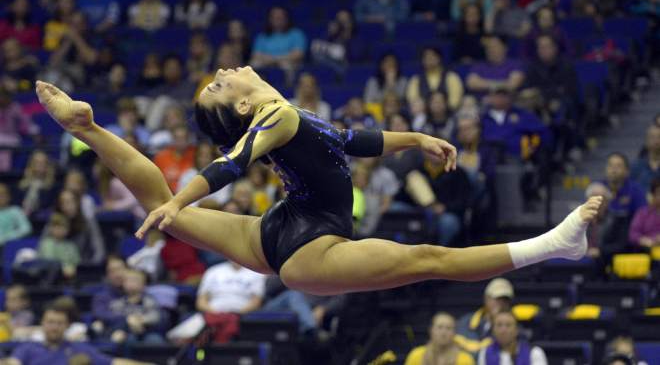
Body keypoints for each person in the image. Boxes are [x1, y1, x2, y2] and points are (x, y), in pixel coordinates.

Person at [35, 70, 602, 297]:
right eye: (218, 84)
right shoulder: (274, 118)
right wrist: (184, 199)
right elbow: (234, 162)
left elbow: (352, 140)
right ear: (240, 101)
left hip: (279, 231)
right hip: (312, 245)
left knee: (159, 203)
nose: (226, 72)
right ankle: (554, 245)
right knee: (428, 258)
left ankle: (89, 128)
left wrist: (416, 138)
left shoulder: (291, 114)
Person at [6, 302, 152, 365]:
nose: (54, 327)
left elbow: (114, 363)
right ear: (43, 324)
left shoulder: (80, 349)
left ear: (68, 326)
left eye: (59, 323)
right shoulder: (27, 348)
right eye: (50, 322)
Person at [456, 278, 514, 354]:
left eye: (505, 300)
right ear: (486, 298)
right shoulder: (466, 322)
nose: (501, 303)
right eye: (497, 299)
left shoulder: (514, 329)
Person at [477, 310, 548, 364]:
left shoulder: (534, 353)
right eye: (499, 325)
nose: (503, 330)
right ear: (493, 331)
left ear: (516, 330)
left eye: (508, 325)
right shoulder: (485, 352)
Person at [405, 312, 474, 365]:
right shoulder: (416, 355)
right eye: (439, 327)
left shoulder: (465, 360)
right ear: (431, 330)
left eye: (448, 328)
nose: (443, 333)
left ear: (454, 333)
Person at [629, 177, 660, 249]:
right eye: (659, 193)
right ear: (653, 195)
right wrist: (645, 241)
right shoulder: (643, 213)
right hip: (647, 251)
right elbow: (633, 234)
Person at [0, 182, 32, 246]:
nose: (1, 198)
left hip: (10, 244)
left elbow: (26, 229)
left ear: (8, 197)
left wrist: (6, 237)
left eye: (3, 195)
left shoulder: (15, 210)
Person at [631, 125, 660, 194]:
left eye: (659, 137)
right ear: (646, 141)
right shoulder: (635, 166)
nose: (656, 141)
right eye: (652, 137)